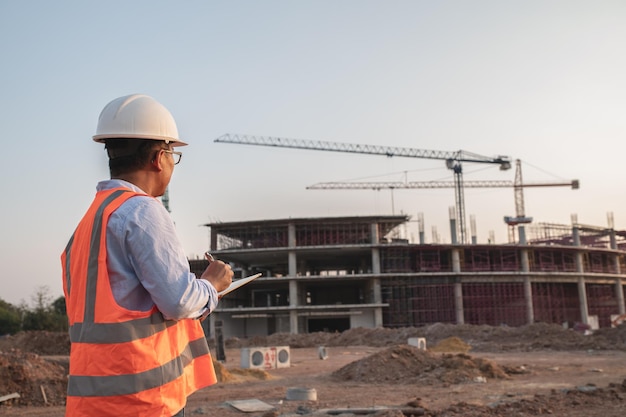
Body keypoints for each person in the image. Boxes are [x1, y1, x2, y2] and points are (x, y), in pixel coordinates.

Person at [61, 94, 233, 417]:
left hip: (93, 402)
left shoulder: (90, 222)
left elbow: (122, 311)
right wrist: (212, 285)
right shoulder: (140, 211)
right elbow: (179, 300)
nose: (172, 165)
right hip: (143, 400)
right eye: (173, 156)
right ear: (158, 157)